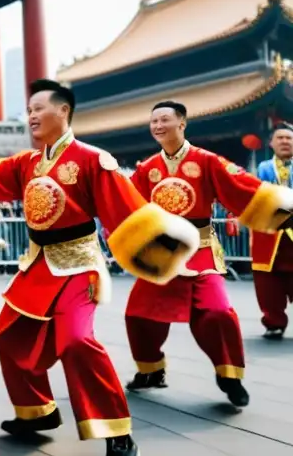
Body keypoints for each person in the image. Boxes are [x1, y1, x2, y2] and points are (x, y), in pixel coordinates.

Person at [0, 79, 201, 456]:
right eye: (27, 110)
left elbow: (128, 212)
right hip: (36, 265)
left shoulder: (95, 159)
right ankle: (37, 412)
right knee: (7, 334)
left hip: (78, 265)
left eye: (38, 108)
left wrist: (160, 248)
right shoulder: (26, 163)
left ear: (63, 111)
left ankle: (119, 433)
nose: (30, 116)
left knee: (76, 341)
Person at [123, 103, 293, 405]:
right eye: (153, 121)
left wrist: (284, 211)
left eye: (165, 119)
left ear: (182, 124)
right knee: (138, 313)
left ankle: (229, 375)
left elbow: (243, 186)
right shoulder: (147, 168)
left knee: (216, 312)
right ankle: (150, 370)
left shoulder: (207, 160)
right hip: (160, 250)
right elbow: (124, 205)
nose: (158, 125)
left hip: (199, 249)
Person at [252, 124, 293, 340]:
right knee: (268, 280)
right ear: (272, 143)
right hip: (270, 232)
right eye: (281, 138)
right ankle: (274, 322)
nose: (285, 141)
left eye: (289, 138)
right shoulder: (263, 168)